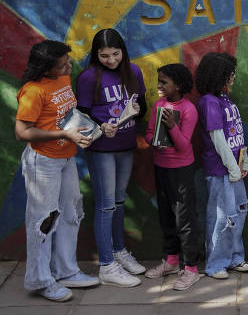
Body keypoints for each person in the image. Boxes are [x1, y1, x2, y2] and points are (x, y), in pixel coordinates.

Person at [15, 40, 99, 301]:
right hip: (43, 162)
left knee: (72, 213)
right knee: (43, 221)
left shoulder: (62, 80)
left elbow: (66, 113)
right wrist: (64, 133)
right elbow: (22, 132)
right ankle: (41, 279)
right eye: (63, 63)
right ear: (46, 66)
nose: (69, 65)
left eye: (68, 61)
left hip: (66, 158)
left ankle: (66, 271)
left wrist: (91, 129)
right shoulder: (33, 91)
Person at [77, 29, 146, 287]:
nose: (111, 60)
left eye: (115, 54)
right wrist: (101, 125)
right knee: (106, 205)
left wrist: (137, 112)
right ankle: (106, 265)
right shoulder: (88, 77)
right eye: (104, 56)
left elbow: (142, 105)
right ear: (96, 55)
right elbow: (82, 113)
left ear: (123, 51)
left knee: (118, 201)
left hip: (126, 145)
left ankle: (119, 252)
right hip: (100, 149)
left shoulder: (134, 72)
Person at [143, 63, 202, 290]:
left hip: (181, 171)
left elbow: (184, 145)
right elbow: (149, 133)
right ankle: (171, 261)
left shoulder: (188, 109)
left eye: (163, 82)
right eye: (158, 80)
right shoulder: (159, 104)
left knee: (184, 220)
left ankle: (191, 269)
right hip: (161, 167)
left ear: (177, 85)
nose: (158, 85)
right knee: (166, 215)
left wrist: (170, 126)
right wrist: (153, 140)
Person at [196, 52, 248, 278]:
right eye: (230, 74)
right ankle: (216, 264)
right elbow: (218, 138)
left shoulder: (225, 98)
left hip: (234, 168)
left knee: (238, 212)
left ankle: (235, 257)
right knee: (222, 217)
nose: (233, 77)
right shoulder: (209, 101)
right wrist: (232, 167)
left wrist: (244, 160)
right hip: (221, 170)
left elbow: (235, 133)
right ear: (218, 75)